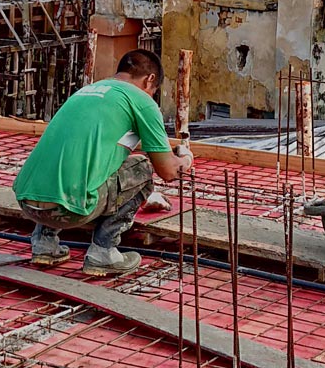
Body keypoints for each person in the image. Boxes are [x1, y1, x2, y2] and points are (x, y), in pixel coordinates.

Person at [13, 49, 193, 277]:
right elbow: (167, 170)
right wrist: (186, 159)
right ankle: (103, 252)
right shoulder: (142, 102)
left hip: (28, 204)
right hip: (70, 210)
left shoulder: (85, 92)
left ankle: (44, 244)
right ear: (150, 80)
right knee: (142, 168)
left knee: (71, 163)